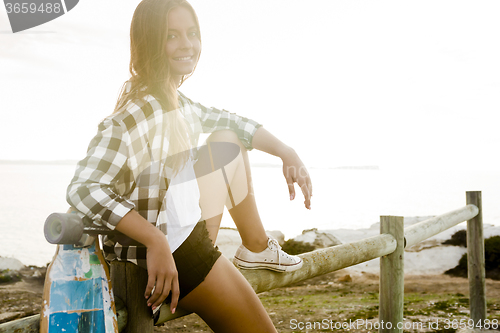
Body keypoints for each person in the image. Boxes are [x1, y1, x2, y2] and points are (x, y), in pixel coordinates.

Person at [66, 0, 313, 331]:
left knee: (227, 138)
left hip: (186, 235)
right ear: (149, 42)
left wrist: (286, 151)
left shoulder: (176, 102)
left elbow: (234, 122)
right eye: (172, 35)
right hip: (174, 253)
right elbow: (84, 189)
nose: (187, 44)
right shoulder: (135, 114)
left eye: (192, 33)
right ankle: (240, 253)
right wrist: (155, 241)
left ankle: (255, 248)